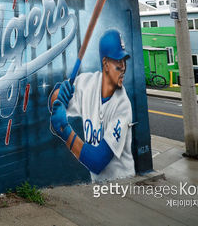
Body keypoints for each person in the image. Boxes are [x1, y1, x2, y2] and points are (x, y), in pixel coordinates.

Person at [48, 29, 135, 181]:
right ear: (106, 64)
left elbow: (97, 161)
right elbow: (54, 102)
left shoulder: (123, 106)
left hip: (122, 185)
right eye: (118, 62)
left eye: (124, 60)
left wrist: (65, 131)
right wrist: (59, 97)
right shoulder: (88, 83)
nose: (123, 67)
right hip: (99, 189)